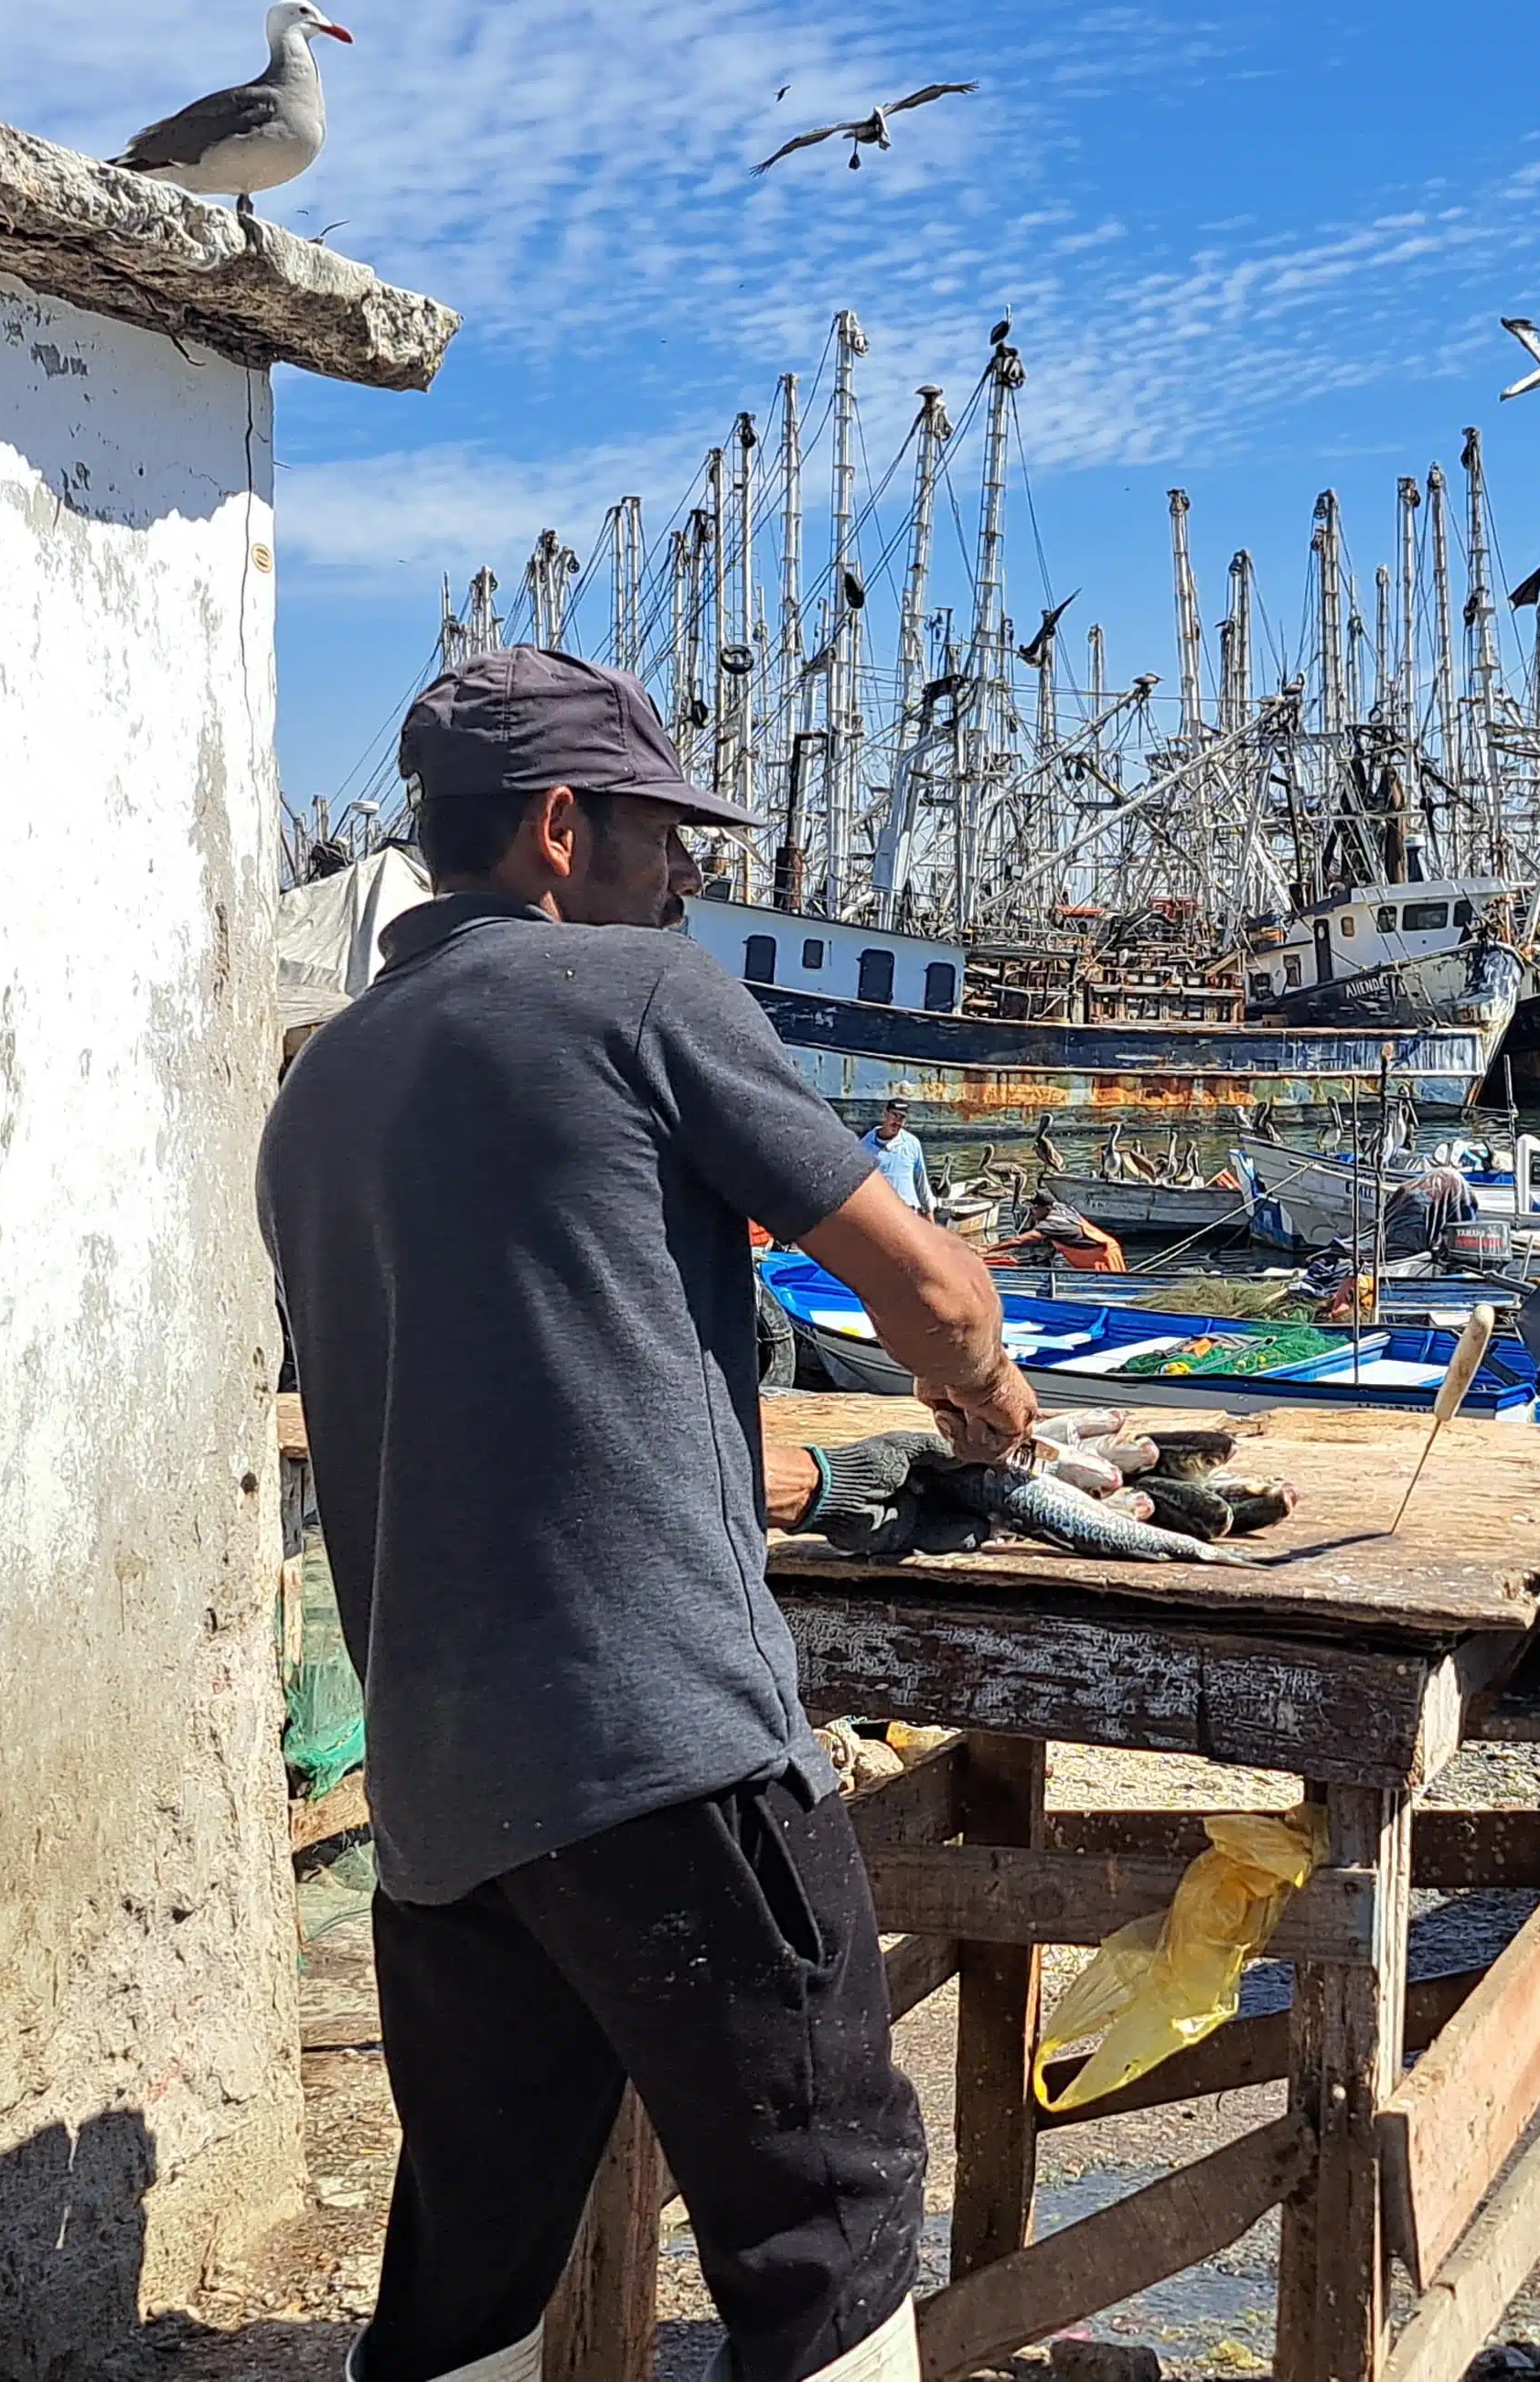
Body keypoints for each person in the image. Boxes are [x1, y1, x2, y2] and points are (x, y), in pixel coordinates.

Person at [259, 646, 1039, 2382]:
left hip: (444, 1792)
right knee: (829, 2230)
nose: (684, 869)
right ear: (556, 829)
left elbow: (517, 1390)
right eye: (658, 831)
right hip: (665, 1743)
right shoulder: (639, 990)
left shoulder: (318, 1087)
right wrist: (983, 1397)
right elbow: (933, 1296)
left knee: (472, 2267)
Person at [986, 1190, 1126, 1272]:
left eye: (1035, 1208)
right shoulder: (1062, 1208)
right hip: (1108, 1246)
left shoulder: (1052, 1224)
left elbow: (1018, 1240)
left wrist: (988, 1249)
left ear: (1045, 1208)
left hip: (1101, 1256)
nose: (1032, 1212)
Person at [862, 1095, 935, 1215]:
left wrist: (931, 1224)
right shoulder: (865, 1145)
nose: (897, 1122)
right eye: (894, 1115)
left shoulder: (912, 1143)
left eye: (902, 1118)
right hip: (879, 1213)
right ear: (885, 1114)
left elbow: (922, 1184)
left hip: (908, 1212)